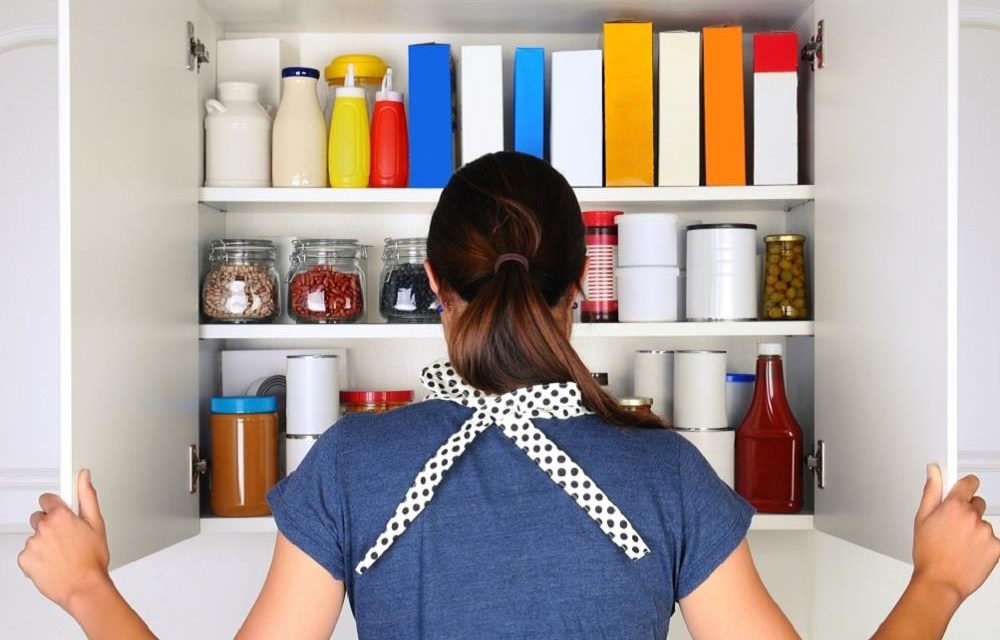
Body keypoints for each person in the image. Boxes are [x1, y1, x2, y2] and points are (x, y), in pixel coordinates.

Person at [17, 152, 1000, 639]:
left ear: (435, 293)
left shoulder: (355, 463)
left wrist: (86, 589)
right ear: (580, 294)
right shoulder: (664, 473)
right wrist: (937, 585)